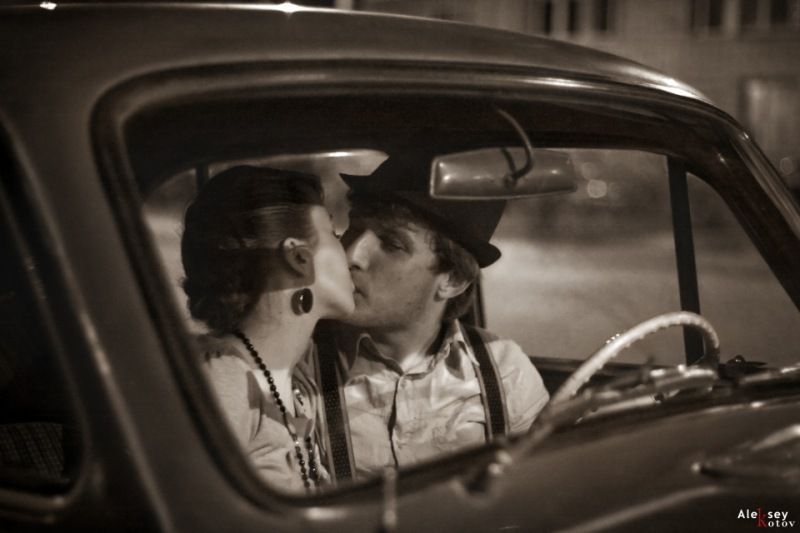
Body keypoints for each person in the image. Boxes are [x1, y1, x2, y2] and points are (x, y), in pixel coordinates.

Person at [313, 155, 550, 482]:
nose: (351, 254)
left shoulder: (505, 371)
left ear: (452, 279)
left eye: (392, 244)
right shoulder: (300, 359)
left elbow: (540, 491)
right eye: (354, 228)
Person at [181, 165, 354, 492]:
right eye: (333, 234)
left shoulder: (298, 384)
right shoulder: (225, 380)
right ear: (299, 258)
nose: (351, 255)